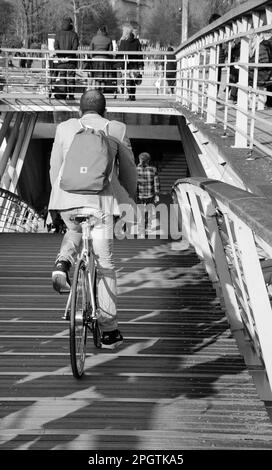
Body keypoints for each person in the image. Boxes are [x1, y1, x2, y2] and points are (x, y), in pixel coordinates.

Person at [49, 89, 137, 349]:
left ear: (79, 109)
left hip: (67, 200)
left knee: (74, 228)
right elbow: (129, 170)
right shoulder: (116, 128)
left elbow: (55, 166)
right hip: (101, 204)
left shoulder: (65, 128)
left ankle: (63, 262)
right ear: (104, 110)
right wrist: (129, 199)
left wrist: (58, 198)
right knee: (105, 264)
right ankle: (109, 331)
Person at [53, 16, 79, 100]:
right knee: (71, 78)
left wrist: (61, 57)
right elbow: (75, 48)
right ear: (70, 24)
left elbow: (56, 46)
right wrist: (69, 57)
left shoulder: (58, 34)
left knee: (62, 77)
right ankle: (71, 95)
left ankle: (63, 95)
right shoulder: (74, 34)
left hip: (61, 60)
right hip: (71, 61)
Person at [118, 25, 143, 101]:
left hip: (126, 64)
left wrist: (119, 65)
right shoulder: (137, 42)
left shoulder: (123, 42)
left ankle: (130, 96)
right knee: (133, 81)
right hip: (135, 64)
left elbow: (120, 54)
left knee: (127, 80)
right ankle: (133, 96)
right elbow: (140, 54)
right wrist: (141, 65)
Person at [136, 152, 160, 233]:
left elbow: (133, 183)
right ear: (148, 160)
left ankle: (141, 227)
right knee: (149, 211)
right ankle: (147, 228)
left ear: (139, 159)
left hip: (139, 195)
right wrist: (157, 194)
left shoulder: (135, 170)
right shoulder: (153, 169)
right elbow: (156, 183)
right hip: (150, 195)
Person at [90, 25, 113, 93]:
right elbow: (110, 51)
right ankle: (102, 92)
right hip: (105, 60)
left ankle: (97, 92)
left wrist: (91, 57)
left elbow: (90, 49)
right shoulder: (108, 39)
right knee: (103, 78)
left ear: (99, 30)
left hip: (95, 60)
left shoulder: (94, 38)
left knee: (97, 78)